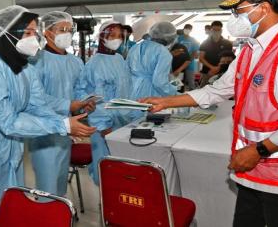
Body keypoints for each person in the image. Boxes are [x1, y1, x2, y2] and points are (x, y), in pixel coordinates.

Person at [141, 0, 278, 227]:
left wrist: (258, 150)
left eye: (238, 10)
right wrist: (168, 102)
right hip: (250, 170)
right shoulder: (249, 50)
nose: (233, 19)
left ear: (263, 8)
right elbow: (217, 90)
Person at [0, 5, 96, 227]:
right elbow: (7, 121)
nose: (34, 38)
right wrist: (62, 126)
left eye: (34, 32)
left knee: (10, 201)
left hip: (10, 143)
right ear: (7, 34)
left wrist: (66, 116)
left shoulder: (22, 67)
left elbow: (39, 103)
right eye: (28, 33)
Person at [28, 11, 95, 196]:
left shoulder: (74, 61)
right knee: (47, 184)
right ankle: (47, 217)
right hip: (44, 131)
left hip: (67, 129)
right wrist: (68, 105)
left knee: (60, 181)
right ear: (47, 32)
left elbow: (79, 89)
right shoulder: (36, 61)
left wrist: (84, 103)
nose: (67, 33)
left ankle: (59, 214)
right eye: (61, 29)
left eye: (69, 29)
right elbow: (36, 98)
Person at [77, 21, 135, 185]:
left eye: (120, 36)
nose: (117, 39)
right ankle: (104, 203)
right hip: (104, 125)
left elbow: (125, 89)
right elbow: (93, 98)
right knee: (105, 167)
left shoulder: (119, 59)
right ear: (103, 37)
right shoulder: (95, 63)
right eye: (112, 35)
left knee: (120, 166)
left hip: (122, 121)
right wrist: (103, 126)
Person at [127, 21, 178, 100]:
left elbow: (126, 71)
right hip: (150, 92)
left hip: (131, 90)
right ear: (171, 38)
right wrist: (173, 92)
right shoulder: (163, 52)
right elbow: (159, 82)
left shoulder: (135, 47)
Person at [199, 21, 233, 86]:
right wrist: (212, 68)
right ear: (211, 30)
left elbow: (229, 59)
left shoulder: (227, 43)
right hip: (207, 72)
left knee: (221, 91)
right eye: (214, 30)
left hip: (222, 72)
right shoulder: (205, 43)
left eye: (218, 30)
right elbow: (201, 58)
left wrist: (218, 68)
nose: (216, 32)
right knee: (204, 91)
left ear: (221, 30)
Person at [177, 24, 199, 90]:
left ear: (191, 30)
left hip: (190, 64)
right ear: (183, 29)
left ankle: (191, 97)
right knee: (177, 83)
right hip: (178, 64)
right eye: (186, 28)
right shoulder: (178, 38)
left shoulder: (193, 40)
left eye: (189, 29)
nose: (187, 30)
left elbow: (195, 52)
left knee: (191, 83)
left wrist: (188, 61)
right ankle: (176, 96)